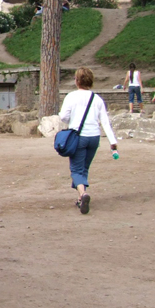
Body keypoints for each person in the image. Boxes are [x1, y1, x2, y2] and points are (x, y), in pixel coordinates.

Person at [58, 68, 117, 215]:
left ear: (77, 81)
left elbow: (64, 117)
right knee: (84, 168)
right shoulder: (97, 99)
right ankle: (80, 198)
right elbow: (105, 122)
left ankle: (83, 195)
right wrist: (113, 142)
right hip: (94, 137)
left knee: (76, 169)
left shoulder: (71, 97)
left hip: (78, 137)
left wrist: (70, 119)